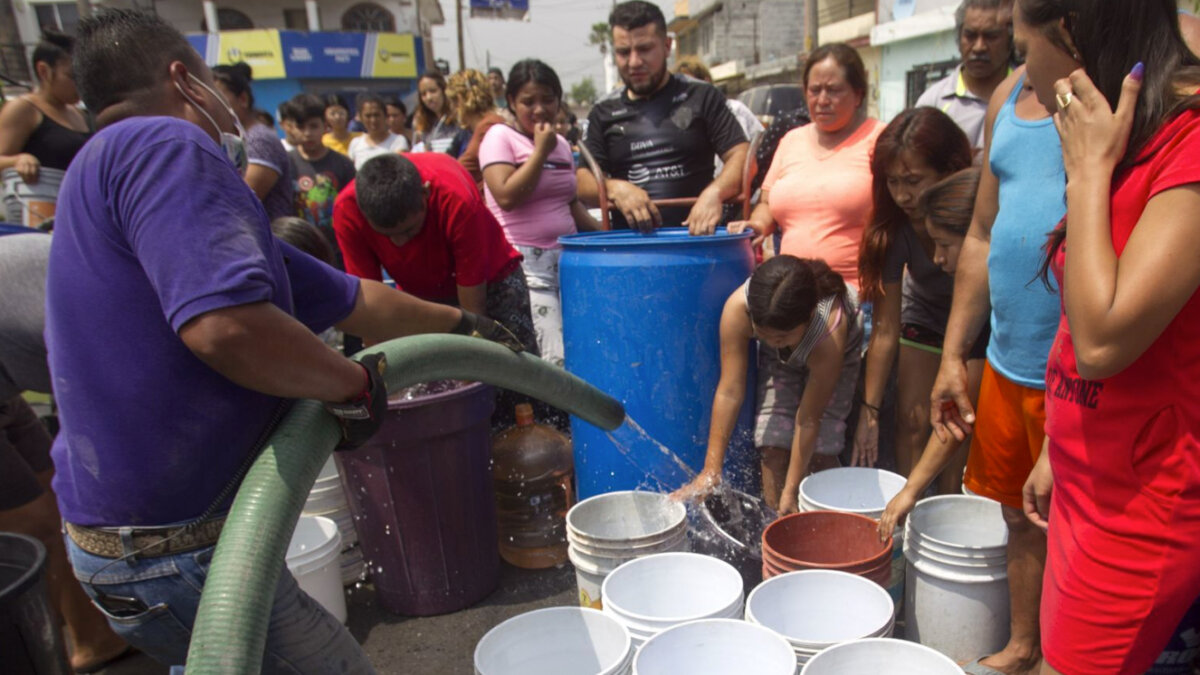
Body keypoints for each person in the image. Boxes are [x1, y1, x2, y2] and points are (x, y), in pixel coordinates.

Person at [48, 11, 516, 669]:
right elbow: (226, 327)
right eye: (214, 80)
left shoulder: (93, 172)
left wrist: (466, 326)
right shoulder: (163, 144)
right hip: (183, 548)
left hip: (123, 549)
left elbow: (359, 299)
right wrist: (350, 384)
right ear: (185, 79)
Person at [1009, 2, 1200, 673]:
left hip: (1139, 508)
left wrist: (1088, 174)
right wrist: (1058, 446)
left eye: (1023, 54)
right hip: (1086, 472)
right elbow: (1082, 289)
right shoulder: (1127, 132)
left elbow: (1104, 340)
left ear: (1070, 37)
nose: (1024, 81)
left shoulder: (1189, 143)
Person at [921, 63, 1064, 675]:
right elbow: (981, 232)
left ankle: (1064, 652)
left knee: (1076, 523)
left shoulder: (1119, 88)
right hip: (1009, 362)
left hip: (1078, 373)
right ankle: (1024, 643)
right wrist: (953, 354)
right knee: (1018, 514)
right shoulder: (1009, 94)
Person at [0, 231, 133, 672]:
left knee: (54, 510)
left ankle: (90, 636)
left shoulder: (119, 272)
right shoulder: (110, 294)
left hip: (8, 380)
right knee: (31, 528)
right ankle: (49, 650)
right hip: (14, 361)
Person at [332, 152, 543, 426]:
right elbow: (369, 309)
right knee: (429, 382)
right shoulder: (347, 211)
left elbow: (473, 319)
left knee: (515, 375)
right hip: (420, 292)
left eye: (408, 231)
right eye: (386, 235)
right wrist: (386, 385)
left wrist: (470, 393)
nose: (398, 243)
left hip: (492, 282)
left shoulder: (456, 198)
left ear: (425, 194)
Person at [671, 255, 864, 513]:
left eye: (780, 337)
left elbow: (808, 419)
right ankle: (775, 523)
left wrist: (791, 490)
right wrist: (711, 469)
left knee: (821, 449)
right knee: (772, 444)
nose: (771, 341)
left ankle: (832, 520)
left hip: (828, 346)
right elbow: (730, 390)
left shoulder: (829, 332)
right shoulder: (739, 309)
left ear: (807, 318)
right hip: (785, 346)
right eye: (763, 335)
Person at [851, 108, 980, 486]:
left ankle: (948, 505)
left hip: (978, 324)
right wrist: (869, 410)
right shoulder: (893, 230)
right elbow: (886, 329)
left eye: (914, 180)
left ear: (949, 170)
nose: (903, 194)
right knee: (910, 420)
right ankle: (906, 506)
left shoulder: (979, 211)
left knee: (957, 424)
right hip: (923, 314)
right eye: (893, 182)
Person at [577, 0, 749, 234]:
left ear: (667, 46)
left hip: (697, 241)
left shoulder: (701, 96)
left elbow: (742, 156)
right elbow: (582, 182)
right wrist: (615, 189)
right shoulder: (603, 111)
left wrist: (714, 193)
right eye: (624, 52)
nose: (634, 62)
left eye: (645, 49)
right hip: (630, 251)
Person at [729, 43, 884, 290]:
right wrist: (757, 224)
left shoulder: (880, 139)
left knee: (820, 324)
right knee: (733, 313)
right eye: (815, 90)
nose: (822, 100)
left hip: (852, 290)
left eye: (833, 90)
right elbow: (767, 204)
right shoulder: (791, 140)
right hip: (792, 287)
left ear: (858, 94)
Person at [480, 59, 599, 368]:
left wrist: (606, 235)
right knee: (553, 357)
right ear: (511, 102)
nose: (539, 109)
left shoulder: (560, 143)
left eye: (548, 99)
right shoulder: (499, 138)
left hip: (567, 261)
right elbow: (505, 196)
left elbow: (570, 203)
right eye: (528, 102)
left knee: (582, 348)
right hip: (524, 266)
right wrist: (539, 152)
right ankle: (556, 418)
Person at [0, 31, 90, 227]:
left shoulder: (78, 113)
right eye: (72, 76)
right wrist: (18, 159)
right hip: (40, 218)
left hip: (78, 216)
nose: (80, 84)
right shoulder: (23, 109)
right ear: (44, 71)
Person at [916, 0, 1014, 150]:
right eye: (970, 36)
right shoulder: (934, 102)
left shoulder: (1031, 95)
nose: (979, 47)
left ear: (1011, 40)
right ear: (959, 39)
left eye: (991, 36)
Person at [212, 63, 295, 220]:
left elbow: (240, 202)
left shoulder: (259, 140)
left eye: (218, 97)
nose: (210, 104)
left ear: (243, 99)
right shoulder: (230, 138)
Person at [285, 93, 357, 266]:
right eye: (301, 127)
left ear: (325, 127)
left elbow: (353, 209)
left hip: (338, 253)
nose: (308, 133)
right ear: (292, 128)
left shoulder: (343, 164)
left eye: (313, 126)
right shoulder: (286, 163)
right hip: (299, 252)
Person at [447, 69, 506, 185]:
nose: (451, 108)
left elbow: (461, 170)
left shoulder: (488, 126)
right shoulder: (484, 125)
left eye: (452, 101)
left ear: (460, 101)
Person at [346, 93, 409, 170]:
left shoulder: (398, 141)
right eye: (368, 116)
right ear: (361, 118)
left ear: (385, 116)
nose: (373, 120)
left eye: (376, 115)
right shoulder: (355, 143)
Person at [413, 71, 468, 155]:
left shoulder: (460, 119)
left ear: (444, 90)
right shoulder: (423, 125)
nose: (429, 97)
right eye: (423, 94)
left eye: (433, 91)